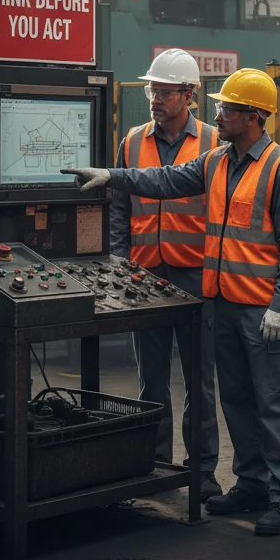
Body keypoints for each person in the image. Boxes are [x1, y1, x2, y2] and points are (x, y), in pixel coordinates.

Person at [66, 68, 280, 537]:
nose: (217, 114)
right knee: (238, 400)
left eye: (228, 108)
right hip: (223, 304)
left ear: (255, 116)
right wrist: (111, 175)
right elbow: (162, 180)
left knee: (275, 402)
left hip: (263, 310)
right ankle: (252, 483)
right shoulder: (217, 161)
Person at [109, 47, 222, 501]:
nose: (155, 98)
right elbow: (120, 206)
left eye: (165, 91)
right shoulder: (133, 140)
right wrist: (120, 261)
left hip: (197, 276)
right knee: (150, 378)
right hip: (144, 277)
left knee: (200, 379)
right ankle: (155, 463)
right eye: (152, 89)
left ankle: (203, 469)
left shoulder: (214, 143)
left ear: (190, 95)